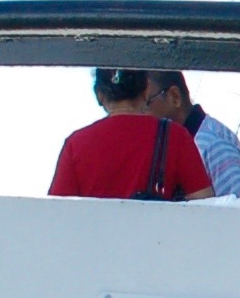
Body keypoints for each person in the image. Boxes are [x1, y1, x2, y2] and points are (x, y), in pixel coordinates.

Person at [48, 69, 214, 201]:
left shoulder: (75, 144)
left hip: (96, 241)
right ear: (145, 89)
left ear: (100, 95)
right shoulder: (175, 136)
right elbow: (205, 206)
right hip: (156, 241)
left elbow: (57, 214)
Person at [147, 71, 240, 201]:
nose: (140, 111)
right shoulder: (170, 142)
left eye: (147, 102)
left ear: (175, 97)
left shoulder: (213, 145)